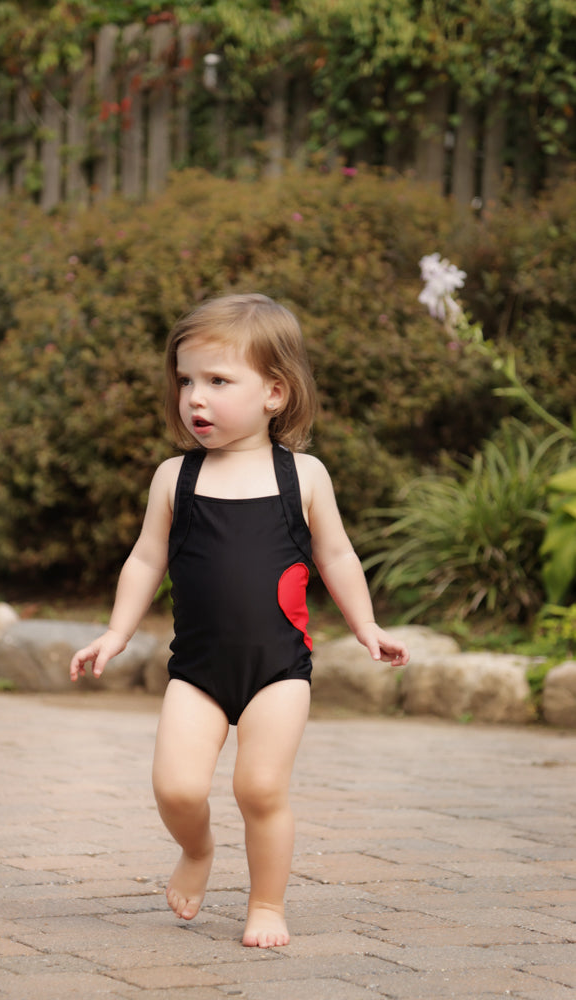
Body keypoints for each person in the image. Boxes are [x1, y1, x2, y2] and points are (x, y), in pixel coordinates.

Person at [70, 293, 409, 948]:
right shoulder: (175, 478)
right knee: (174, 788)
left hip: (277, 670)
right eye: (186, 380)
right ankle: (196, 851)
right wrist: (115, 632)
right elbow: (145, 559)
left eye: (218, 382)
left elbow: (336, 554)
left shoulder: (303, 476)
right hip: (196, 672)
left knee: (258, 789)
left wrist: (366, 626)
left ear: (274, 392)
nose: (195, 398)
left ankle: (266, 904)